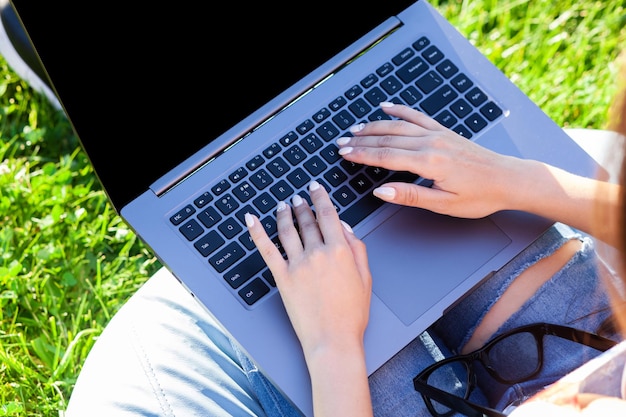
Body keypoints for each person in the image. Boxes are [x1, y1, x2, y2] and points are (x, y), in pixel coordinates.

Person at [1, 5, 625, 414]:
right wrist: (513, 179)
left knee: (270, 248)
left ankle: (167, 162)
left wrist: (332, 346)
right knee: (418, 185)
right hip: (586, 344)